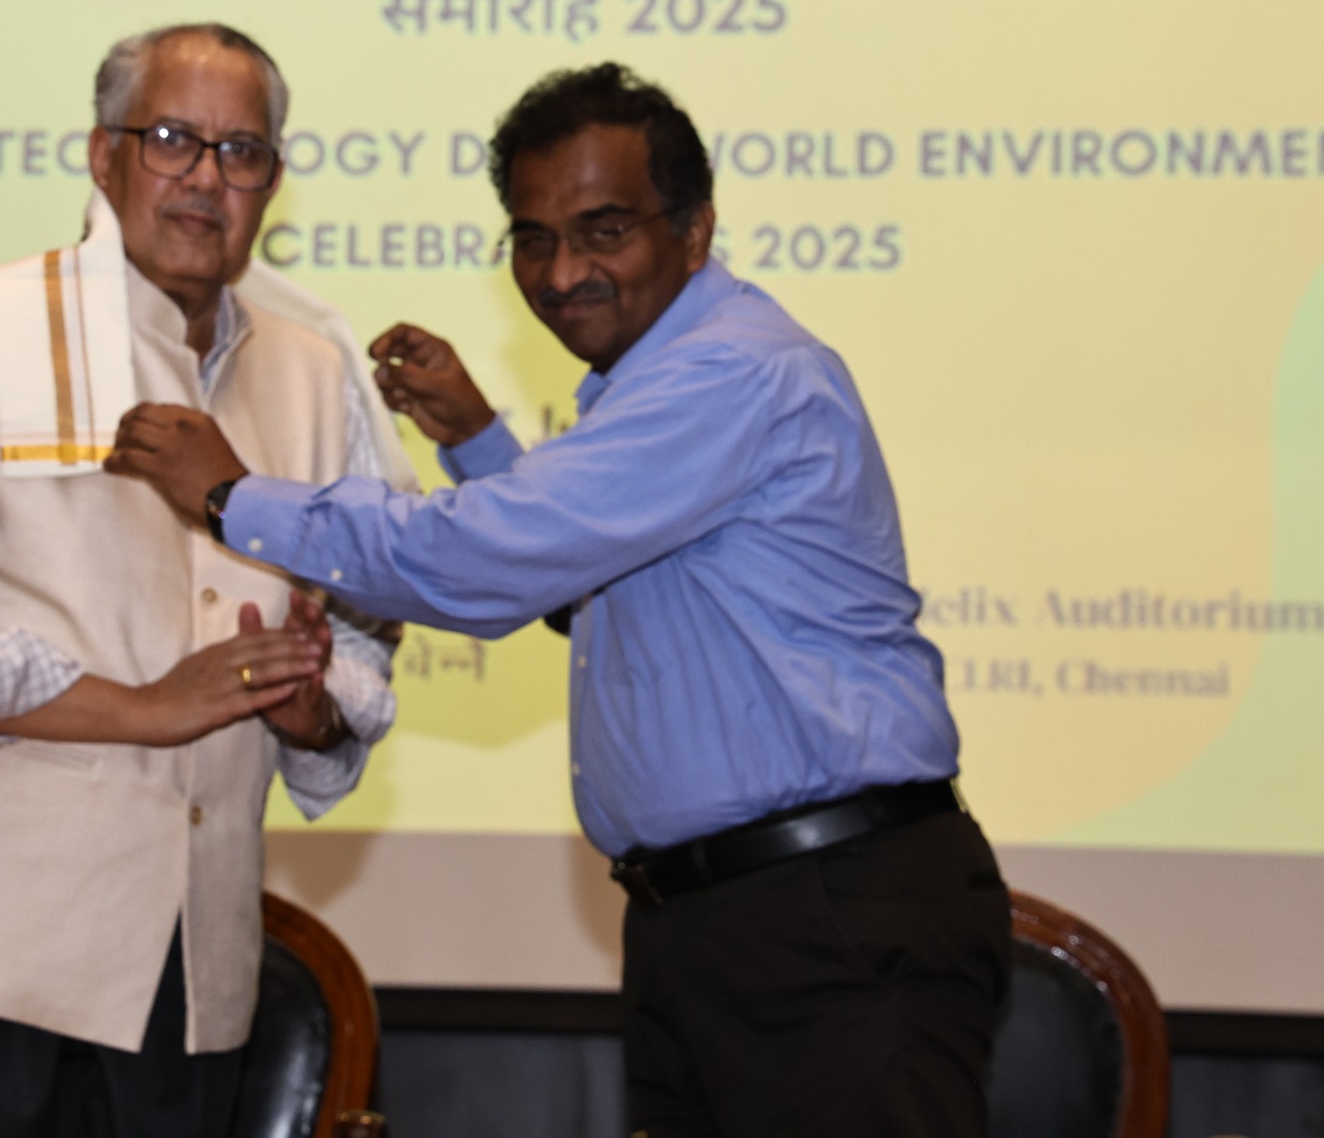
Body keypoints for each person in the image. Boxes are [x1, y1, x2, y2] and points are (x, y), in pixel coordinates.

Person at [105, 62, 1012, 1138]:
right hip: (731, 922)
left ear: (695, 228)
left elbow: (489, 563)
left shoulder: (731, 373)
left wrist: (231, 495)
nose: (562, 271)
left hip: (820, 917)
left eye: (603, 230)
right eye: (533, 239)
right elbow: (605, 584)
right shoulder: (665, 380)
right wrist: (477, 439)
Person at [0, 23, 404, 1138]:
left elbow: (363, 640)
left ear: (272, 183)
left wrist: (312, 711)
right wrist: (141, 708)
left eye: (242, 152)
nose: (206, 178)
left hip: (184, 979)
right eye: (171, 140)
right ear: (104, 157)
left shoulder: (316, 377)